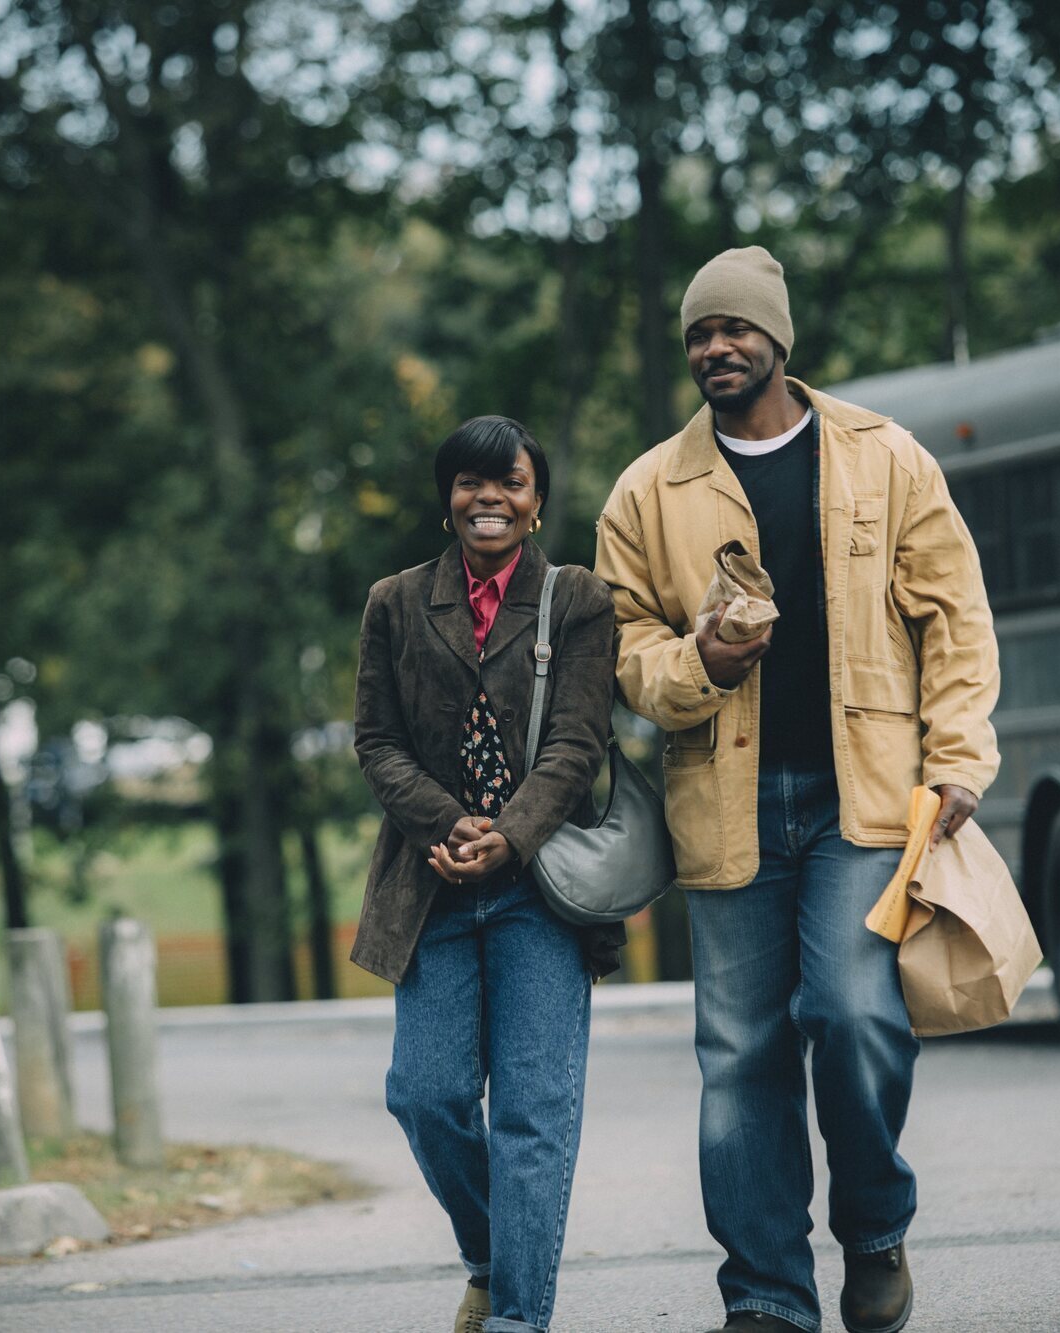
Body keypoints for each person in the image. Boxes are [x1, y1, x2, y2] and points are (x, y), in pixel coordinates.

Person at [593, 247, 1001, 1333]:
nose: (713, 349)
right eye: (696, 334)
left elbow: (952, 618)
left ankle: (872, 1230)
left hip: (862, 800)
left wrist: (956, 755)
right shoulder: (647, 489)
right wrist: (696, 667)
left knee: (852, 1011)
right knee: (739, 1058)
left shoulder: (883, 457)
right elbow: (623, 646)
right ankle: (767, 1294)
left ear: (777, 337)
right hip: (721, 806)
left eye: (732, 329)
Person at [352, 415, 622, 1333]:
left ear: (536, 499)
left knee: (533, 1117)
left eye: (509, 481)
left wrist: (506, 836)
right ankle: (490, 1253)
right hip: (425, 885)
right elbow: (376, 742)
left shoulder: (578, 600)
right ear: (446, 500)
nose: (489, 498)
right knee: (424, 1096)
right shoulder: (393, 602)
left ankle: (517, 1317)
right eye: (470, 483)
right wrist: (445, 820)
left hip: (540, 891)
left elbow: (578, 743)